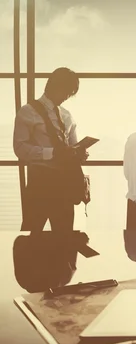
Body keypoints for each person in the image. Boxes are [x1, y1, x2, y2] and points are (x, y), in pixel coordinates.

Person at [13, 67, 87, 231]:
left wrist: (79, 153)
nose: (67, 96)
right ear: (55, 86)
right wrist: (51, 153)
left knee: (65, 231)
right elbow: (19, 148)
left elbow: (72, 146)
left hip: (64, 181)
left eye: (71, 93)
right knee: (32, 231)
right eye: (66, 91)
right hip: (40, 180)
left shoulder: (67, 115)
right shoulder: (28, 112)